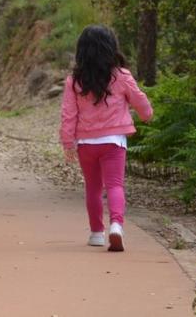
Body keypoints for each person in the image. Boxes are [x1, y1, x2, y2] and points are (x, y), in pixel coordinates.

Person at [59, 25, 153, 252]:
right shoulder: (121, 76)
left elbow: (68, 114)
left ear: (82, 50)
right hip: (114, 142)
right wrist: (146, 115)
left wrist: (67, 142)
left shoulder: (74, 81)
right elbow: (140, 101)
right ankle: (117, 226)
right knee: (115, 185)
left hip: (86, 143)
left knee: (93, 187)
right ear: (111, 48)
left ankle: (96, 233)